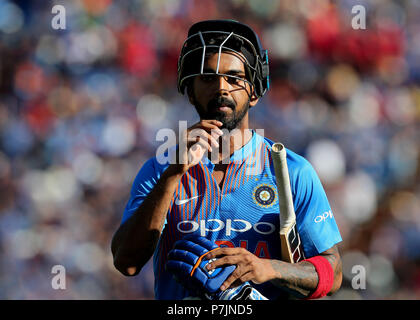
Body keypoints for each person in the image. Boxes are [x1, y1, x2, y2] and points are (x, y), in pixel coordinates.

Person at [111, 19, 343, 300]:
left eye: (234, 78)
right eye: (208, 78)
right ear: (191, 90)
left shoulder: (292, 171)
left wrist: (267, 268)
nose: (222, 88)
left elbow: (333, 274)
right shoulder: (160, 170)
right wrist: (173, 174)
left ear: (254, 92)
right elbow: (127, 263)